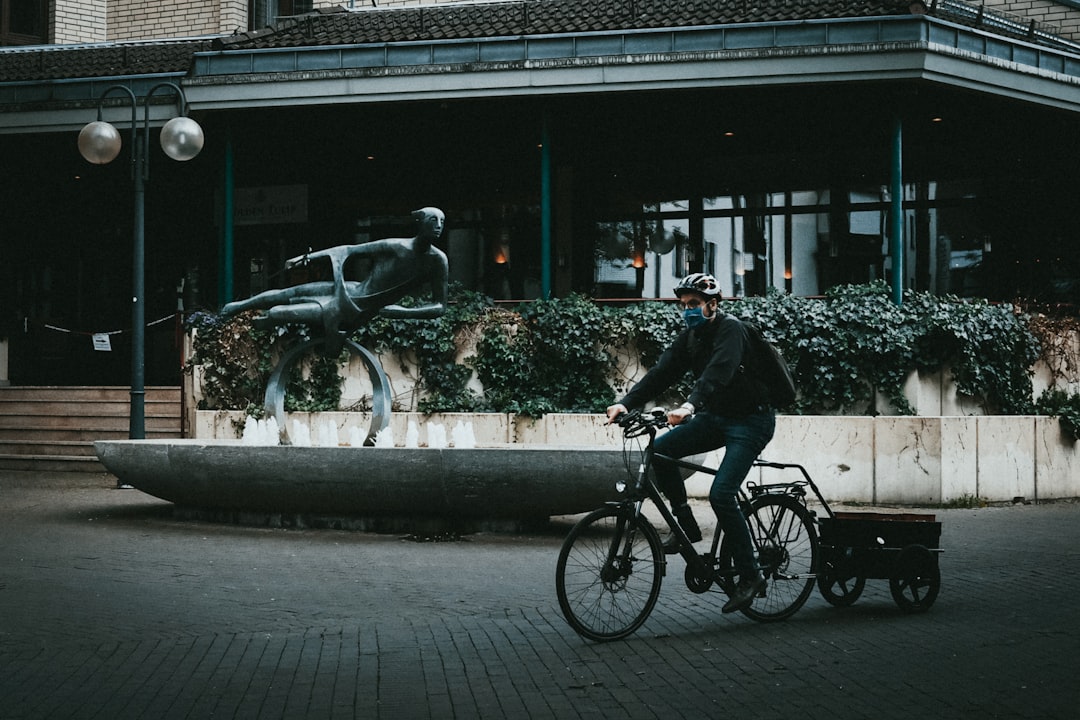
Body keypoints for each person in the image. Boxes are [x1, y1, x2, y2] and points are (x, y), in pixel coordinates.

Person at [605, 273, 775, 614]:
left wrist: (689, 406)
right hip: (717, 418)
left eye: (694, 305)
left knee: (722, 494)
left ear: (713, 305)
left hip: (751, 421)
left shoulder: (732, 330)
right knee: (663, 451)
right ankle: (686, 526)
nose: (688, 311)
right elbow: (661, 373)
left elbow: (719, 372)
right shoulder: (691, 337)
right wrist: (627, 402)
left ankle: (751, 575)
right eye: (684, 306)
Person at [221, 207, 449, 342]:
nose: (438, 226)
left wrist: (402, 313)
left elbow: (440, 307)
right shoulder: (395, 246)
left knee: (280, 312)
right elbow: (347, 250)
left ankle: (264, 322)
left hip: (356, 308)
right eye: (433, 220)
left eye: (442, 222)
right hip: (350, 289)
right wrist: (306, 258)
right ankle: (239, 306)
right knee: (289, 292)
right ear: (419, 223)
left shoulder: (437, 261)